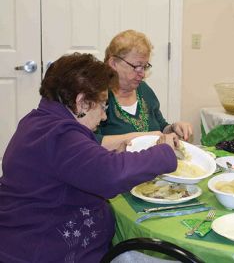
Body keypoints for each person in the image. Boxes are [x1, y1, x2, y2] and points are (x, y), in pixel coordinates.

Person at [0, 53, 179, 262]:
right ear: (82, 103)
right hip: (45, 251)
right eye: (103, 105)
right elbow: (110, 175)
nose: (104, 116)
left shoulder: (39, 120)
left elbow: (78, 162)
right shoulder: (60, 135)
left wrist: (109, 153)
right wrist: (163, 152)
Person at [96, 29, 193, 150]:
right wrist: (146, 137)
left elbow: (161, 126)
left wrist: (173, 128)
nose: (142, 74)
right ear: (114, 63)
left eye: (145, 66)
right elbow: (92, 142)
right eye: (137, 67)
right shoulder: (98, 95)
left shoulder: (143, 89)